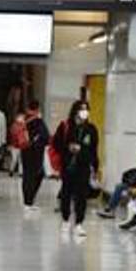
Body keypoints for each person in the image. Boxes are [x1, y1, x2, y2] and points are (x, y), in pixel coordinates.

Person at [53, 100, 99, 236]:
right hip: (68, 166)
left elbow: (93, 150)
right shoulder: (65, 126)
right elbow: (56, 144)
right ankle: (66, 220)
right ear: (75, 110)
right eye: (82, 109)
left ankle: (79, 223)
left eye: (86, 109)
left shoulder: (91, 129)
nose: (85, 112)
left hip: (83, 167)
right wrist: (68, 148)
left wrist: (95, 167)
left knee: (81, 196)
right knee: (66, 193)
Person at [97, 151, 136, 219]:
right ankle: (110, 209)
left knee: (119, 187)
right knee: (120, 186)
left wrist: (135, 190)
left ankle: (110, 209)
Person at [21, 100, 50, 210]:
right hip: (36, 152)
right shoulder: (38, 121)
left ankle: (27, 201)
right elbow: (46, 137)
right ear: (37, 109)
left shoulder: (23, 120)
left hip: (25, 150)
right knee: (36, 175)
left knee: (27, 175)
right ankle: (29, 201)